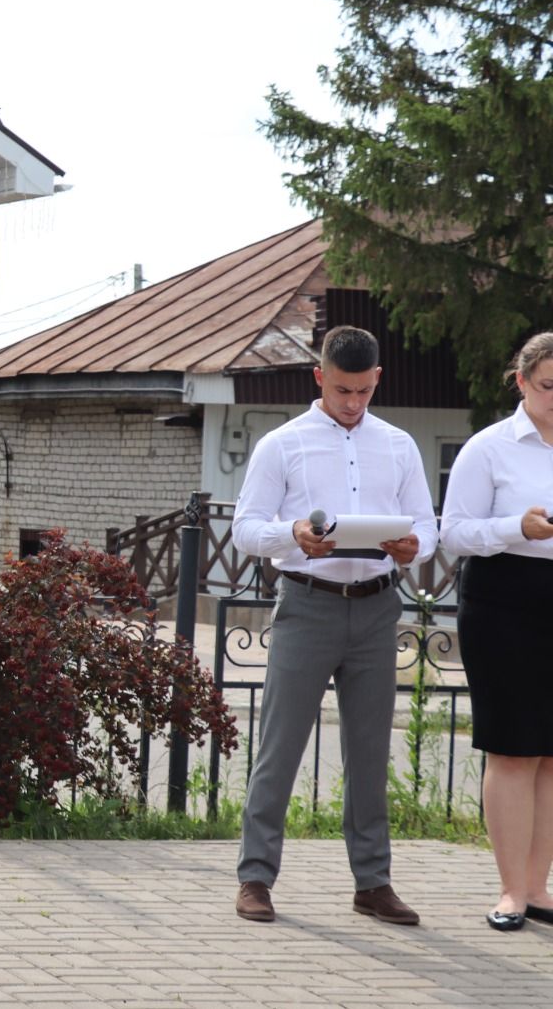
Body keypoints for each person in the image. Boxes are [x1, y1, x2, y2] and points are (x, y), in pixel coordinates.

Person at [231, 325, 437, 924]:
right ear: (319, 377)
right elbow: (246, 527)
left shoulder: (399, 446)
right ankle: (255, 878)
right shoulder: (282, 444)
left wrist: (411, 547)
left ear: (378, 381)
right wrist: (290, 535)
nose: (353, 403)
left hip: (377, 607)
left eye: (364, 392)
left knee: (371, 751)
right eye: (343, 390)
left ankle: (372, 883)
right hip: (307, 603)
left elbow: (427, 526)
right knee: (281, 744)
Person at [440, 331, 553, 932]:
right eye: (548, 386)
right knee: (514, 749)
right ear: (521, 382)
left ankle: (539, 887)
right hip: (503, 600)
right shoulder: (488, 448)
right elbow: (454, 533)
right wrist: (516, 527)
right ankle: (511, 890)